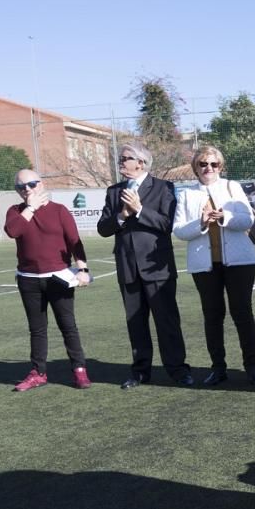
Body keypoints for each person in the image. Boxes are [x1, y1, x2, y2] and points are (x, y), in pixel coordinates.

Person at [98, 142, 193, 389]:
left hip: (157, 267)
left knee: (167, 322)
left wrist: (139, 209)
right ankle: (140, 371)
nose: (121, 161)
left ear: (141, 163)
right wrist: (122, 216)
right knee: (136, 322)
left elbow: (166, 224)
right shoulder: (113, 191)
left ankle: (177, 370)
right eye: (120, 158)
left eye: (126, 158)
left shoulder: (163, 188)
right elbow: (103, 228)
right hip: (128, 267)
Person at [173, 146, 255, 386]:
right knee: (212, 316)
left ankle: (251, 367)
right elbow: (179, 230)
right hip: (204, 264)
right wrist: (200, 223)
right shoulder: (186, 195)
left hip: (240, 262)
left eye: (214, 164)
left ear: (221, 167)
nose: (208, 169)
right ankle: (218, 368)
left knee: (242, 313)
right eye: (203, 164)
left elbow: (248, 220)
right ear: (195, 167)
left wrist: (224, 217)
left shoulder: (232, 187)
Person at [3, 169, 92, 391]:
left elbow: (74, 242)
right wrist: (30, 208)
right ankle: (38, 372)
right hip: (28, 279)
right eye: (21, 187)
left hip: (58, 278)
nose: (27, 190)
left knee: (68, 326)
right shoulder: (15, 211)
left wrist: (83, 269)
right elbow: (13, 231)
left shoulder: (59, 211)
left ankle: (79, 369)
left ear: (41, 184)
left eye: (31, 184)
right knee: (37, 329)